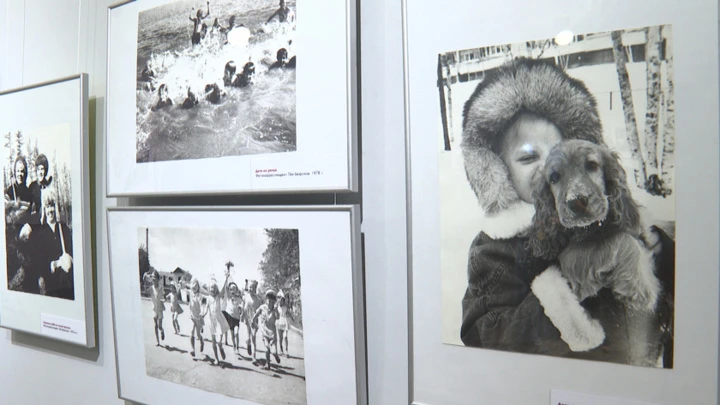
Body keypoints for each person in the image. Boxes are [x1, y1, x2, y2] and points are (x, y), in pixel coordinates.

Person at [459, 58, 675, 367]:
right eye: (528, 157)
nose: (549, 165)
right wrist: (572, 280)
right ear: (499, 171)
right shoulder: (495, 250)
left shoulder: (603, 211)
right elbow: (484, 336)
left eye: (560, 148)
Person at [22, 191, 74, 299]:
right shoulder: (40, 232)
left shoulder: (63, 228)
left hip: (67, 282)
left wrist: (68, 259)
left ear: (56, 208)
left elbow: (72, 250)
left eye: (52, 206)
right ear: (44, 210)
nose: (50, 210)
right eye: (47, 207)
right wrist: (54, 264)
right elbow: (38, 260)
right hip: (51, 285)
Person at [252, 289, 281, 369]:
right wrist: (253, 321)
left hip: (272, 334)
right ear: (266, 299)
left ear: (274, 302)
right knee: (267, 350)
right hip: (264, 332)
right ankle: (268, 365)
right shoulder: (262, 308)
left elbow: (278, 317)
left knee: (273, 351)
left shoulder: (274, 310)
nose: (270, 303)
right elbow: (256, 314)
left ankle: (276, 356)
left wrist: (276, 310)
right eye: (269, 300)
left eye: (272, 301)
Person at [206, 281, 230, 364]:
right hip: (212, 321)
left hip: (219, 320)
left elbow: (223, 289)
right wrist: (203, 313)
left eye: (214, 288)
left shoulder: (218, 297)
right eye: (211, 288)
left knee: (219, 341)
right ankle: (216, 358)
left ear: (216, 289)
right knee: (213, 341)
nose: (213, 289)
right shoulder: (208, 298)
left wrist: (226, 279)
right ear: (209, 289)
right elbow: (206, 308)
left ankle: (221, 347)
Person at [5, 156, 33, 224]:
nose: (20, 174)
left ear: (25, 173)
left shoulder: (29, 193)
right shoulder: (9, 192)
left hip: (26, 231)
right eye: (18, 171)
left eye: (22, 171)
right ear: (14, 172)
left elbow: (32, 216)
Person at [221, 273, 243, 355]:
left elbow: (241, 305)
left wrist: (241, 309)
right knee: (232, 334)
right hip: (229, 317)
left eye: (234, 289)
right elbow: (226, 289)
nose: (233, 290)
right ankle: (234, 346)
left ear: (237, 290)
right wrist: (227, 278)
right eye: (231, 289)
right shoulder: (229, 297)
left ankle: (237, 347)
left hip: (236, 318)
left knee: (236, 333)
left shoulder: (239, 298)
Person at [143, 269, 165, 346]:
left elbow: (163, 296)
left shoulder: (161, 288)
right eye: (152, 277)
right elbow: (146, 292)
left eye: (155, 277)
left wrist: (163, 299)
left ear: (158, 279)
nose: (153, 278)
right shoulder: (151, 288)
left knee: (159, 326)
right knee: (155, 324)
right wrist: (145, 281)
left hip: (160, 309)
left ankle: (162, 330)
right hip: (154, 309)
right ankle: (157, 341)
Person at [187, 277, 208, 358]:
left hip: (199, 318)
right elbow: (182, 288)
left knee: (198, 335)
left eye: (196, 286)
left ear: (198, 287)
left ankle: (202, 341)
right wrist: (182, 283)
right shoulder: (190, 293)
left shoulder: (200, 296)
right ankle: (192, 349)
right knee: (191, 331)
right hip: (192, 316)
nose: (194, 287)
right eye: (192, 285)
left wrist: (203, 312)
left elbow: (203, 305)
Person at [28, 154, 52, 223]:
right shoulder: (32, 187)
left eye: (42, 169)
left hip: (47, 221)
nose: (40, 172)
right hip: (35, 222)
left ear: (45, 171)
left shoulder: (48, 186)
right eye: (38, 169)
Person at [242, 280, 262, 356]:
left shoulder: (257, 298)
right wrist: (242, 315)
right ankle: (248, 344)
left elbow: (260, 309)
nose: (251, 289)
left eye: (253, 288)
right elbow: (243, 306)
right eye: (250, 287)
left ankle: (254, 356)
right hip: (247, 318)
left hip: (254, 319)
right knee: (248, 337)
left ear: (255, 289)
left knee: (253, 336)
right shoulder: (245, 296)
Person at [275, 290, 293, 357]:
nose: (280, 301)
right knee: (280, 337)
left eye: (282, 300)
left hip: (285, 321)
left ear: (283, 300)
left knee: (285, 337)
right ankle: (281, 349)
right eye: (279, 300)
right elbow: (275, 314)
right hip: (279, 322)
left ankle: (286, 350)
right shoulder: (277, 307)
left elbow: (289, 313)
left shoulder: (285, 307)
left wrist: (291, 317)